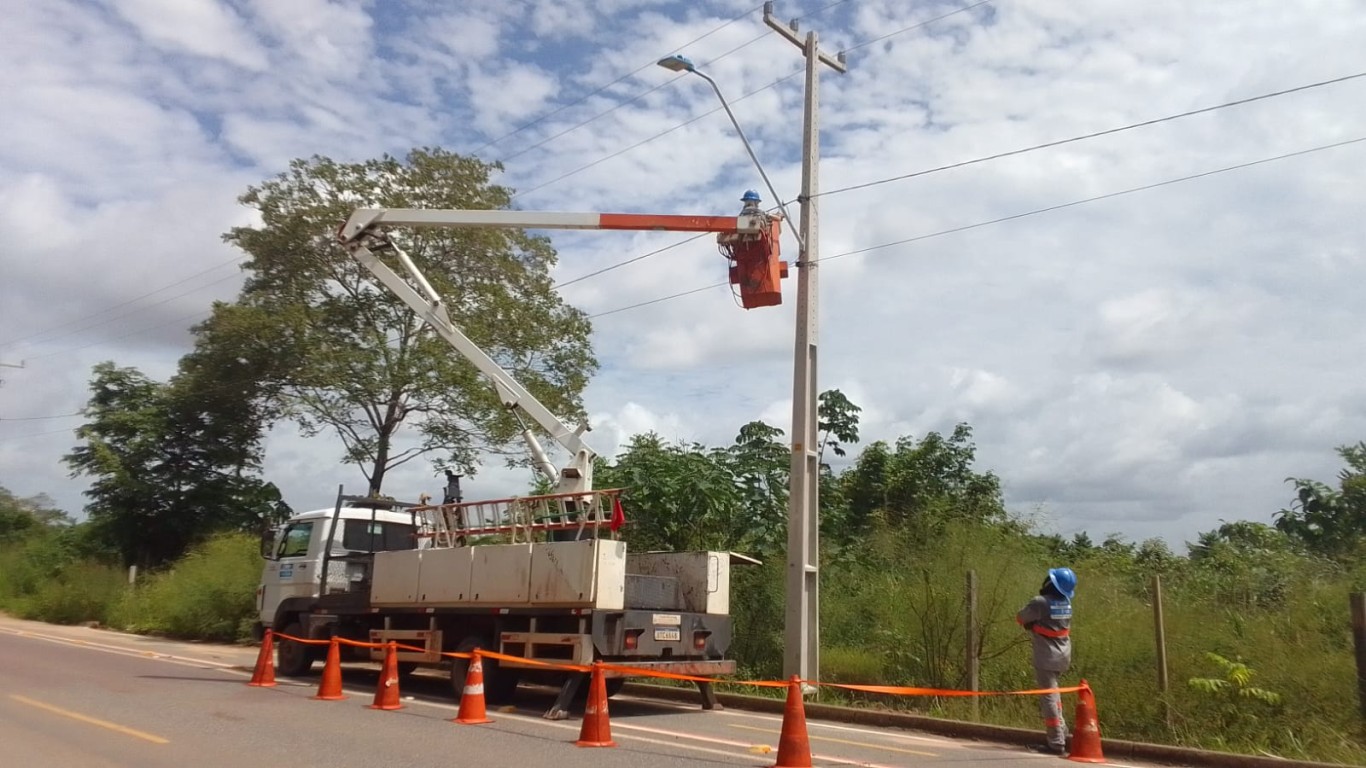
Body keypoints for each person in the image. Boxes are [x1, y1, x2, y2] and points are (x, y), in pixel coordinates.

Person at [1016, 567, 1076, 755]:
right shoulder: (1066, 603)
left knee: (1048, 698)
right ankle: (1063, 732)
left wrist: (1031, 624)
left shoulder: (1040, 603)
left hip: (1046, 656)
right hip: (1063, 654)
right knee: (1055, 694)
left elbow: (1021, 617)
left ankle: (1056, 742)